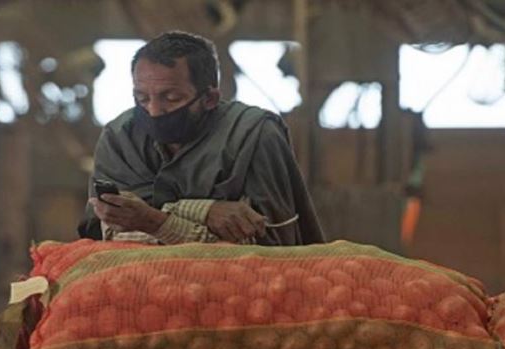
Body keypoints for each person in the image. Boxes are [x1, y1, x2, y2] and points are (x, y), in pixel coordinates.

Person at [80, 30, 325, 246]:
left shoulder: (254, 135)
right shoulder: (119, 138)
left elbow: (267, 245)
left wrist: (151, 220)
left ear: (210, 99)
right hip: (136, 285)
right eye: (142, 98)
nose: (154, 111)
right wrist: (205, 212)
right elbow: (109, 233)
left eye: (172, 98)